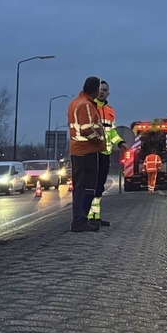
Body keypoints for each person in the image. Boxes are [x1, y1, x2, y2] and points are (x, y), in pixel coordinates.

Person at [67, 77, 105, 232]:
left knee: (81, 186)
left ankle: (81, 218)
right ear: (95, 90)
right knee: (85, 186)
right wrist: (99, 140)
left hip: (78, 151)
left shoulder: (76, 103)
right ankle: (79, 220)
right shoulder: (86, 105)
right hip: (86, 151)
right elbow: (87, 129)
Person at [88, 80, 126, 227]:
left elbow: (112, 132)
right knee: (91, 184)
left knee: (100, 186)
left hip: (105, 153)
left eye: (105, 90)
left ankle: (95, 216)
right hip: (93, 152)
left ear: (108, 93)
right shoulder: (90, 107)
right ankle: (87, 216)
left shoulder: (110, 111)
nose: (102, 92)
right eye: (100, 89)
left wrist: (120, 143)